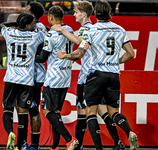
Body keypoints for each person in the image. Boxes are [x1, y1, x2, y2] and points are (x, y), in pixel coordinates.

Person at [57, 0, 139, 150]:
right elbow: (131, 54)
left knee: (91, 113)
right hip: (114, 75)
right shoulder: (120, 29)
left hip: (96, 75)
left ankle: (99, 149)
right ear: (109, 12)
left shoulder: (92, 30)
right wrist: (115, 61)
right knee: (113, 112)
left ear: (95, 13)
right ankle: (129, 132)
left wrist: (65, 56)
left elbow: (79, 54)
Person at [0, 13, 44, 150]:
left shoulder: (9, 33)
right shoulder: (36, 36)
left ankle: (10, 133)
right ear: (28, 25)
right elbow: (45, 31)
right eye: (33, 23)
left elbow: (1, 25)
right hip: (26, 80)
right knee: (23, 112)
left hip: (11, 78)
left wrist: (15, 24)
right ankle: (21, 144)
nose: (35, 25)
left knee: (7, 109)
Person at [35, 6, 78, 150]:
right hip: (66, 76)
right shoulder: (70, 30)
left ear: (52, 18)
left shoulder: (51, 35)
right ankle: (54, 146)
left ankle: (69, 139)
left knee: (47, 112)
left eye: (48, 18)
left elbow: (42, 58)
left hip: (53, 78)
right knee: (56, 113)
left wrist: (31, 54)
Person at [22, 2, 48, 150]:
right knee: (32, 109)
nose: (23, 11)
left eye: (26, 10)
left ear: (31, 15)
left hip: (30, 75)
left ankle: (27, 143)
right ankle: (34, 145)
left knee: (27, 109)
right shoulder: (43, 29)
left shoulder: (32, 28)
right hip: (36, 75)